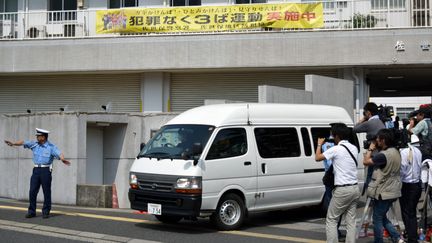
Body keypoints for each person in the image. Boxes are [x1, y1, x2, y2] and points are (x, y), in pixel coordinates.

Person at [4, 128, 71, 219]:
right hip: (36, 170)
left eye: (38, 136)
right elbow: (24, 142)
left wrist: (62, 159)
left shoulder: (51, 147)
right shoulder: (35, 145)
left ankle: (46, 211)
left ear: (43, 137)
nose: (37, 137)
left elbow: (59, 153)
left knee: (46, 192)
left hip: (45, 171)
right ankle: (32, 211)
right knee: (32, 191)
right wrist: (13, 143)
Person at [315, 123, 360, 243]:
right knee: (351, 221)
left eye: (332, 135)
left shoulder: (336, 149)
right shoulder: (354, 148)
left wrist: (319, 144)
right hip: (354, 188)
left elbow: (317, 157)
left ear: (337, 136)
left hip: (342, 189)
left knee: (331, 219)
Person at [363, 129, 403, 243]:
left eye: (378, 139)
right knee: (381, 216)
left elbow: (365, 162)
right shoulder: (395, 151)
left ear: (383, 140)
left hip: (383, 192)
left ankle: (379, 241)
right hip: (393, 190)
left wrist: (370, 149)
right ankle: (397, 238)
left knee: (377, 219)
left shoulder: (383, 155)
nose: (376, 141)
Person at [399, 142, 422, 243]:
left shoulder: (403, 152)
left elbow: (402, 169)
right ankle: (411, 234)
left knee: (408, 213)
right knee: (411, 212)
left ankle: (412, 238)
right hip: (417, 184)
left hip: (407, 185)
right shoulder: (417, 150)